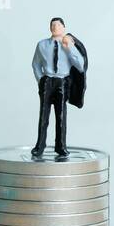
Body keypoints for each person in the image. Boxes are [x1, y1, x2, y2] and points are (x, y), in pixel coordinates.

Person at [30, 16, 86, 158]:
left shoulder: (68, 45)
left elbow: (80, 65)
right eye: (53, 25)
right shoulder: (42, 45)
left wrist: (70, 49)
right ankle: (40, 145)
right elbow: (35, 64)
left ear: (64, 28)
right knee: (43, 115)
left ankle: (60, 146)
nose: (55, 28)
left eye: (58, 25)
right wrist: (41, 79)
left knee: (61, 116)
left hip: (62, 82)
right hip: (47, 82)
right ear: (50, 28)